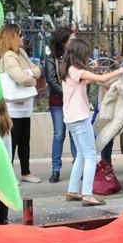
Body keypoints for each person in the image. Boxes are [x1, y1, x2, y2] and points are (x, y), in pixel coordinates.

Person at [60, 37, 123, 206]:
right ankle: (87, 194)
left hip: (71, 119)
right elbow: (102, 80)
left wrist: (95, 71)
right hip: (80, 118)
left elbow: (90, 79)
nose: (87, 57)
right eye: (85, 55)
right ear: (79, 55)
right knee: (91, 155)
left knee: (82, 155)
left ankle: (73, 190)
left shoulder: (69, 70)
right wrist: (119, 72)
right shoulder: (76, 70)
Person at [0, 23, 42, 183]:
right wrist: (31, 78)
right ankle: (8, 175)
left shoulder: (21, 53)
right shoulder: (8, 56)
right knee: (12, 142)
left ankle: (25, 172)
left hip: (24, 105)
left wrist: (29, 73)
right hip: (13, 106)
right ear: (11, 37)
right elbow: (19, 78)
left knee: (24, 140)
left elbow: (38, 70)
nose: (23, 38)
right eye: (19, 35)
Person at [43, 26, 77, 183]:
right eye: (71, 39)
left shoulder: (75, 56)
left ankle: (79, 166)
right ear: (63, 41)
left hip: (73, 101)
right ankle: (55, 169)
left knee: (74, 134)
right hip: (58, 102)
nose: (74, 42)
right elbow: (51, 80)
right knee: (59, 134)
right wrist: (67, 94)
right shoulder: (52, 58)